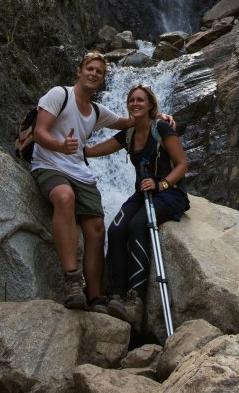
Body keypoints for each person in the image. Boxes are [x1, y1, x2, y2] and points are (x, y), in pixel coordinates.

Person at [31, 52, 175, 313]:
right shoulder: (58, 95)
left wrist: (158, 118)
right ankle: (72, 282)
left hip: (79, 171)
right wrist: (60, 146)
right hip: (50, 165)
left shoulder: (97, 111)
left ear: (102, 79)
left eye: (99, 71)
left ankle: (96, 297)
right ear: (80, 71)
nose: (94, 74)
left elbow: (131, 121)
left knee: (97, 227)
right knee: (64, 197)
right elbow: (38, 132)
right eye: (90, 69)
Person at [83, 83, 189, 330]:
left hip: (170, 193)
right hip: (141, 194)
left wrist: (161, 184)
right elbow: (95, 150)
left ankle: (135, 300)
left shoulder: (161, 127)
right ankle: (117, 296)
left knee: (139, 224)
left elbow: (182, 164)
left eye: (140, 100)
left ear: (151, 104)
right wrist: (77, 147)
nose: (135, 104)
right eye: (131, 101)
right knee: (116, 229)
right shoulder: (128, 134)